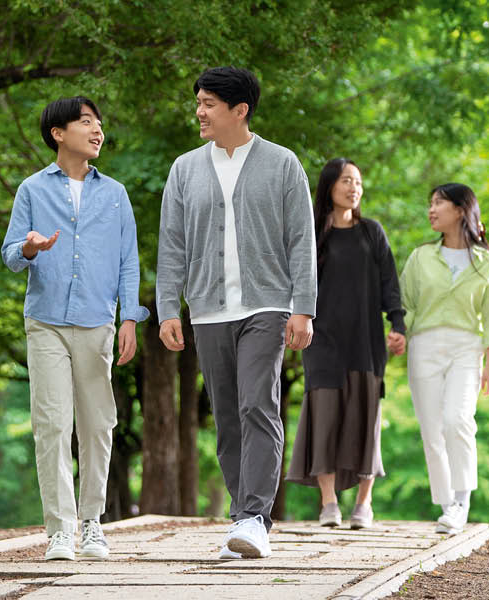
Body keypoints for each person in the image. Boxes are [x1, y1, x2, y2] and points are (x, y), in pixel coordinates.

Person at [156, 66, 317, 559]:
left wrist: (303, 309)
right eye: (198, 102)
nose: (199, 111)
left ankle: (254, 518)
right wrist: (168, 307)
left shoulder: (283, 164)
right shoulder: (185, 169)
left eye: (208, 103)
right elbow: (172, 246)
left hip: (267, 305)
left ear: (239, 110)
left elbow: (302, 241)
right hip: (207, 310)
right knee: (226, 416)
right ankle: (241, 517)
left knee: (256, 404)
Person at [1, 96, 149, 560]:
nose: (97, 130)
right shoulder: (31, 190)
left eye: (99, 123)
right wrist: (30, 248)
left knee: (99, 424)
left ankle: (92, 523)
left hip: (97, 322)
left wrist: (130, 317)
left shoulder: (116, 194)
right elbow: (9, 254)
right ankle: (60, 529)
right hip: (45, 321)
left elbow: (129, 261)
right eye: (86, 122)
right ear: (58, 134)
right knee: (52, 423)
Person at [284, 158, 405, 530]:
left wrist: (397, 323)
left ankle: (364, 505)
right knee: (325, 417)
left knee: (366, 417)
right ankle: (329, 502)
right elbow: (295, 283)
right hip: (322, 341)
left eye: (358, 181)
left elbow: (389, 282)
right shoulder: (313, 234)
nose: (354, 188)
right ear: (329, 187)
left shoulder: (372, 233)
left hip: (366, 341)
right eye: (346, 181)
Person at [399, 182, 489, 535]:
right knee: (432, 431)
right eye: (430, 203)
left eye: (439, 203)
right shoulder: (420, 258)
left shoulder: (486, 263)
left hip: (466, 348)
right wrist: (398, 332)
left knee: (457, 420)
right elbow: (407, 306)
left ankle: (462, 501)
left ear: (460, 210)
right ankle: (448, 507)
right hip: (424, 347)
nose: (431, 210)